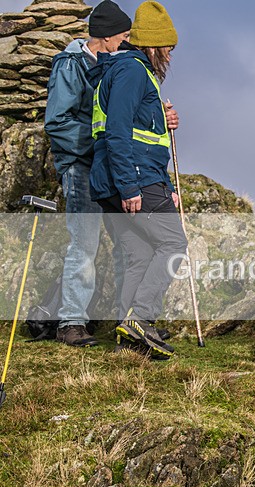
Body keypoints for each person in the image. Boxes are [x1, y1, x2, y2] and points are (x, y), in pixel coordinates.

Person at [89, 1, 186, 360]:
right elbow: (118, 131)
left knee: (140, 255)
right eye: (168, 49)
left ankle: (127, 340)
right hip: (134, 180)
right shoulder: (132, 71)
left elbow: (143, 134)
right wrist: (131, 187)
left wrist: (169, 187)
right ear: (152, 44)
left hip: (121, 179)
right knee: (174, 244)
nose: (170, 58)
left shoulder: (122, 70)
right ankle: (141, 320)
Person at [44, 0, 132, 347]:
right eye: (122, 35)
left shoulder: (111, 63)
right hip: (81, 167)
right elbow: (58, 121)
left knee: (127, 243)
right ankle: (71, 323)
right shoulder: (70, 64)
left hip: (108, 166)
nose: (125, 41)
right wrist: (101, 141)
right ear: (106, 36)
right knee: (84, 244)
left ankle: (129, 322)